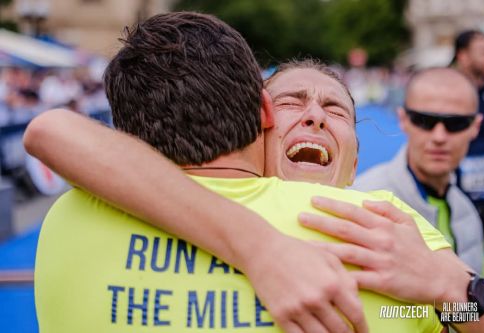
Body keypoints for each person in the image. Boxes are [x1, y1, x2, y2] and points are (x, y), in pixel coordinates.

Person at [28, 12, 452, 333]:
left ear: (355, 161)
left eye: (336, 109)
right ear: (263, 122)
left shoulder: (387, 231)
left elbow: (51, 129)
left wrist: (449, 288)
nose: (315, 117)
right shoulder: (388, 218)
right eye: (291, 102)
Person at [353, 67, 484, 278]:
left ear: (476, 126)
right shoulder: (363, 200)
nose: (439, 136)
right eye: (424, 120)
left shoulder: (468, 214)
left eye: (456, 123)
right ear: (403, 119)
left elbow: (473, 310)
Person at [452, 29, 484, 287]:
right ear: (463, 56)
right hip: (457, 193)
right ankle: (461, 318)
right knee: (462, 269)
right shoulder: (448, 93)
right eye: (482, 52)